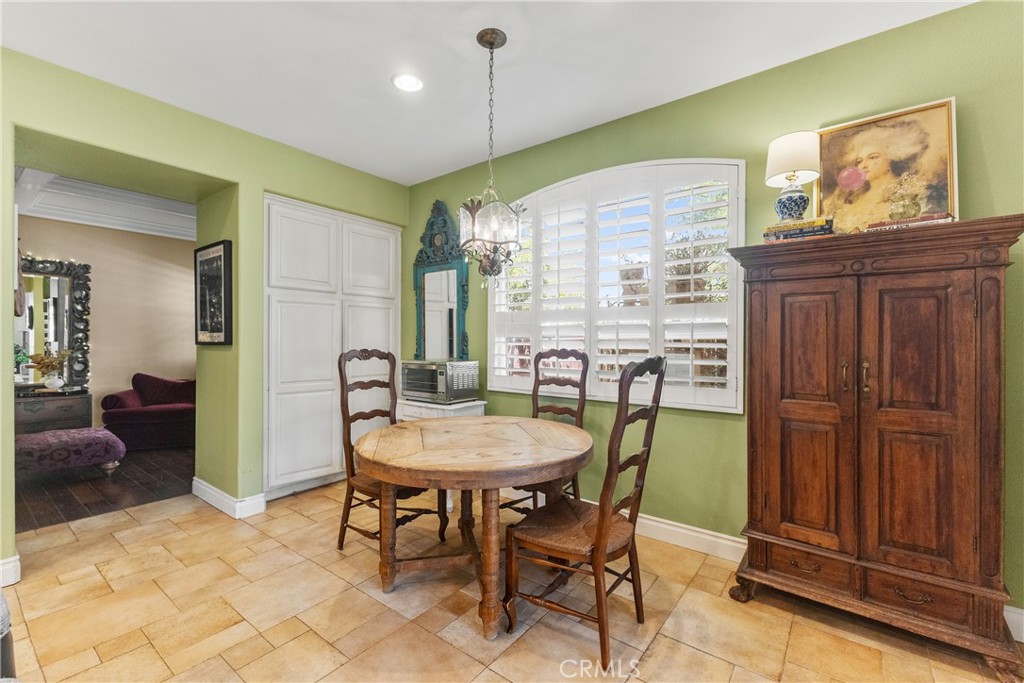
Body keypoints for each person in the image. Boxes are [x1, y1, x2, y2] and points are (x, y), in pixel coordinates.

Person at [821, 118, 948, 233]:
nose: (864, 165)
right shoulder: (851, 200)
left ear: (889, 158)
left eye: (873, 157)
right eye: (859, 161)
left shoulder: (912, 190)